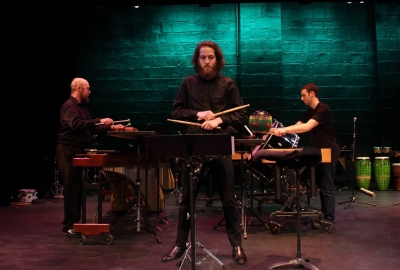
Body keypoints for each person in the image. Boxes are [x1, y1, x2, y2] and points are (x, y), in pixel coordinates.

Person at [161, 41, 248, 265]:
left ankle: (237, 245)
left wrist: (220, 119)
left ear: (218, 60)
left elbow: (241, 117)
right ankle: (180, 244)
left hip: (220, 145)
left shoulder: (229, 84)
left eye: (211, 57)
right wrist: (198, 114)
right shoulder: (187, 84)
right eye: (203, 57)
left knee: (229, 199)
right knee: (186, 201)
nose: (207, 61)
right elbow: (176, 111)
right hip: (194, 147)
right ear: (197, 60)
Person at [56, 77, 126, 237]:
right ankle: (69, 225)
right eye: (88, 88)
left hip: (78, 149)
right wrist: (99, 120)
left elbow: (91, 128)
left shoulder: (82, 108)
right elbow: (77, 124)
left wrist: (111, 127)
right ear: (79, 88)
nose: (90, 91)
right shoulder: (69, 106)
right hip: (68, 150)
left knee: (78, 188)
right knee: (72, 187)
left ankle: (75, 223)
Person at [270, 83, 340, 227]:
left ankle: (329, 220)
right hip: (320, 153)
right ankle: (324, 217)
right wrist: (279, 131)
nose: (301, 98)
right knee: (322, 187)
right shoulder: (311, 111)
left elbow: (307, 126)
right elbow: (298, 125)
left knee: (327, 187)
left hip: (329, 153)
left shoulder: (323, 109)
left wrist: (284, 131)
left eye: (303, 95)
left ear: (312, 94)